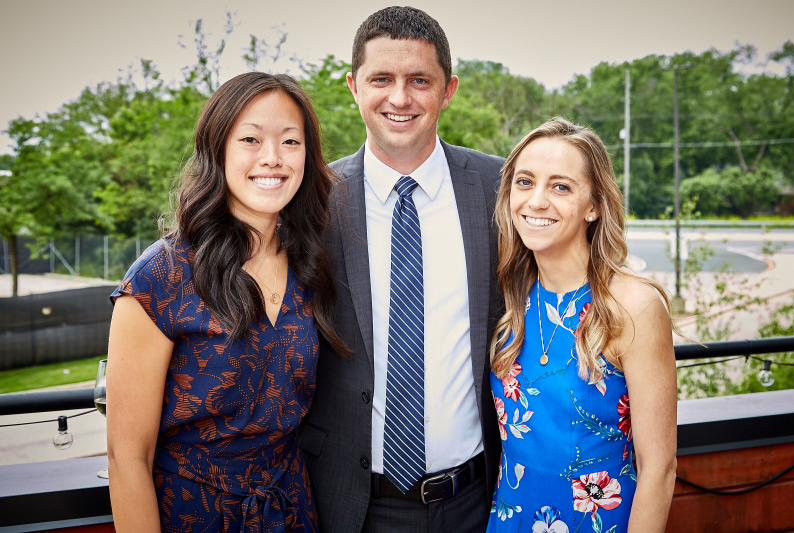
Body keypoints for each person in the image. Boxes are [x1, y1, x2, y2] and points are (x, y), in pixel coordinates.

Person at [105, 72, 347, 532]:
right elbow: (127, 456)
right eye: (250, 139)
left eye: (290, 142)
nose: (272, 158)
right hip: (194, 514)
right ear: (217, 148)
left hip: (291, 510)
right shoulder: (162, 275)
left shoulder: (311, 262)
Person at [297, 6, 503, 532]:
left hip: (477, 499)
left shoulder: (501, 188)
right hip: (350, 502)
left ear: (448, 89)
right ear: (353, 86)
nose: (400, 98)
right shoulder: (311, 200)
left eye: (420, 80)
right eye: (381, 79)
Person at [487, 117, 677, 533]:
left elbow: (659, 468)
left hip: (597, 521)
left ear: (593, 205)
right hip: (512, 518)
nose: (536, 201)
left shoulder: (632, 305)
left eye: (560, 187)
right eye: (524, 182)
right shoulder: (512, 297)